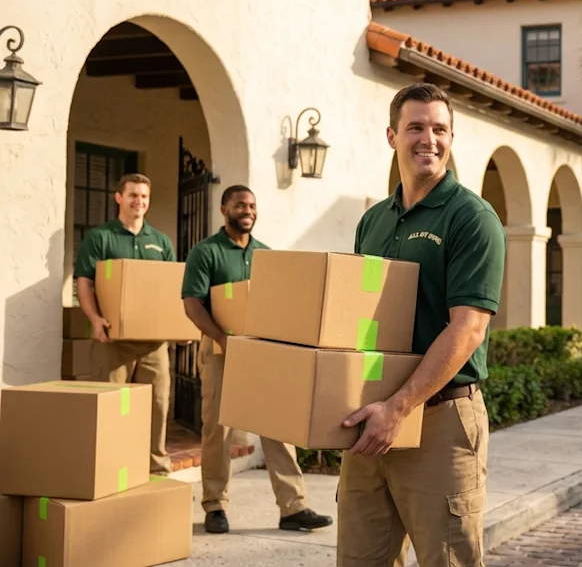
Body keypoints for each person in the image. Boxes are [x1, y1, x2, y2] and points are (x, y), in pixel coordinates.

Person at [337, 82, 506, 567]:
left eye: (439, 129)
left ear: (451, 138)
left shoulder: (472, 218)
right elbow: (359, 318)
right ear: (392, 135)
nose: (427, 139)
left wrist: (399, 406)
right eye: (415, 127)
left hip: (440, 421)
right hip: (373, 421)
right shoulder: (373, 221)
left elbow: (468, 328)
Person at [180, 185, 334, 535]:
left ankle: (293, 507)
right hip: (221, 351)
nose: (247, 210)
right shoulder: (206, 253)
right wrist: (223, 339)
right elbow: (192, 303)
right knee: (218, 428)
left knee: (278, 425)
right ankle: (215, 505)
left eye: (251, 204)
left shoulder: (266, 254)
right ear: (224, 209)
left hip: (264, 352)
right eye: (239, 204)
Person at [74, 173, 176, 476]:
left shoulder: (161, 242)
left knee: (158, 406)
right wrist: (94, 319)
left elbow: (169, 288)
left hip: (154, 344)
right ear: (118, 197)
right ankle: (107, 469)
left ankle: (157, 471)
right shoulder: (100, 237)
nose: (139, 202)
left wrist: (178, 326)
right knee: (110, 407)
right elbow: (84, 282)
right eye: (133, 195)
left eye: (144, 196)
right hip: (112, 340)